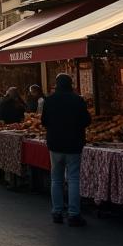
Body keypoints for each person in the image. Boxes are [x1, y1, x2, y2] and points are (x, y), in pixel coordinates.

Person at [40, 73, 91, 227]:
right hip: (74, 144)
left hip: (55, 144)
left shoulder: (49, 100)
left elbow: (44, 121)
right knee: (73, 179)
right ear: (71, 84)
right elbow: (86, 120)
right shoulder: (77, 100)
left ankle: (57, 212)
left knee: (56, 179)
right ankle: (74, 214)